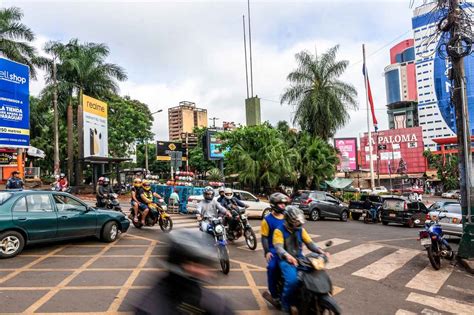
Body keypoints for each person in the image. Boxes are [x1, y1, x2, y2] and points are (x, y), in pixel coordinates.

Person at [133, 229, 234, 315]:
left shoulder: (212, 301)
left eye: (206, 264)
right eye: (198, 263)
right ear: (180, 264)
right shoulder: (151, 308)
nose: (206, 271)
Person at [273, 206, 329, 313]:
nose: (299, 224)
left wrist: (320, 251)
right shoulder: (278, 231)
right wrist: (287, 256)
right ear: (289, 220)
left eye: (299, 221)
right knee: (292, 281)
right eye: (296, 222)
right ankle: (285, 304)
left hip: (300, 258)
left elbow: (310, 243)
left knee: (314, 273)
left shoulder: (301, 230)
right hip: (286, 260)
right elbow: (278, 247)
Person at [261, 193, 288, 308]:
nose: (283, 206)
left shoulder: (288, 217)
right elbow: (264, 237)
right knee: (272, 268)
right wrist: (267, 252)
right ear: (273, 205)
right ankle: (275, 295)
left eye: (284, 203)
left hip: (288, 248)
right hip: (274, 250)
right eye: (280, 203)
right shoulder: (267, 220)